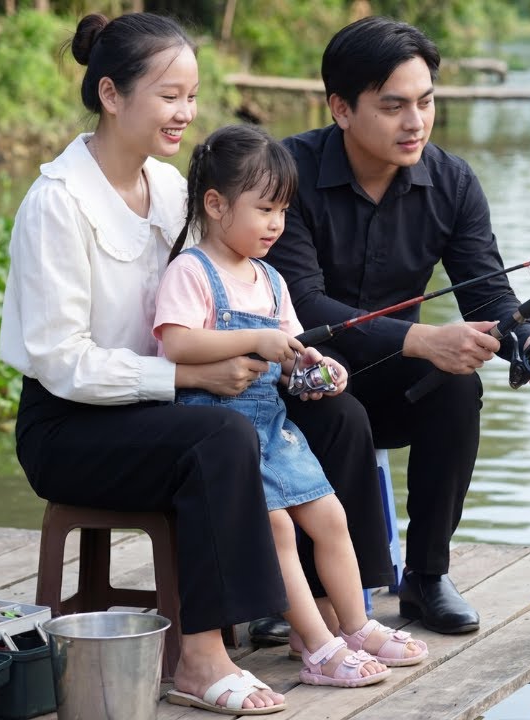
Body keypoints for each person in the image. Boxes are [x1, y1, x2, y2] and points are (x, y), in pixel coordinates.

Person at [0, 13, 289, 715]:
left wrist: (274, 350)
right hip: (70, 428)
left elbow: (219, 287)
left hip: (160, 409)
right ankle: (200, 657)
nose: (185, 112)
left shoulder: (172, 191)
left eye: (191, 96)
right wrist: (190, 377)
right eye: (168, 95)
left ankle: (336, 619)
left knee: (326, 412)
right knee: (219, 439)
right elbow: (61, 362)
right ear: (110, 94)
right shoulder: (57, 204)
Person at [263, 16, 530, 636]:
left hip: (388, 382)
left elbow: (488, 293)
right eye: (394, 106)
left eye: (426, 102)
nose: (416, 122)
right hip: (290, 379)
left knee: (457, 386)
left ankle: (426, 578)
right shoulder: (286, 174)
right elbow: (300, 304)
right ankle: (299, 594)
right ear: (342, 109)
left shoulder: (453, 183)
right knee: (340, 408)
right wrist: (420, 338)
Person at [153, 124, 429, 688]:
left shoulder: (273, 281)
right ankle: (318, 647)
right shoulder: (192, 271)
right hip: (214, 431)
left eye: (283, 210)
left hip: (273, 429)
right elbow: (177, 342)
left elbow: (290, 355)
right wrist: (252, 341)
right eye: (264, 210)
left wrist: (317, 370)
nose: (276, 224)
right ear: (216, 205)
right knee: (276, 527)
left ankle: (356, 624)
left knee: (330, 516)